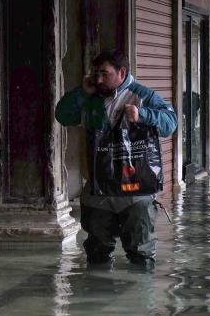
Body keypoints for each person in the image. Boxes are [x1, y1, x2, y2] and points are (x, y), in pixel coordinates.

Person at [55, 49, 177, 266]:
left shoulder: (142, 96)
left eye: (105, 74)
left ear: (122, 72)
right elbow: (63, 115)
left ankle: (138, 297)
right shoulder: (91, 97)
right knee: (97, 253)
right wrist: (82, 92)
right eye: (95, 74)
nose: (99, 79)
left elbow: (170, 123)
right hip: (98, 189)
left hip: (136, 192)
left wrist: (143, 115)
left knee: (141, 255)